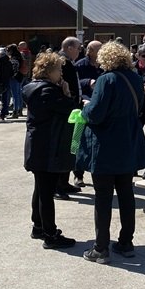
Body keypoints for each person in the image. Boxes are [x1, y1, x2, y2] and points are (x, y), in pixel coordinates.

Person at [77, 41, 145, 263]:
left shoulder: (106, 79)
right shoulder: (135, 78)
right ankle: (126, 242)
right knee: (126, 193)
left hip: (106, 145)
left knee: (103, 197)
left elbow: (96, 113)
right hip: (127, 141)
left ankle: (100, 248)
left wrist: (85, 108)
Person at [23, 51, 78, 249]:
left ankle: (38, 226)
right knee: (46, 192)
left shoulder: (32, 88)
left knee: (41, 188)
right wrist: (66, 92)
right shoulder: (48, 91)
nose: (61, 74)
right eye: (59, 70)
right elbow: (69, 108)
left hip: (38, 144)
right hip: (48, 146)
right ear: (50, 71)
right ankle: (50, 234)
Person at [57, 37, 85, 193]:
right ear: (69, 48)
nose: (80, 51)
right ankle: (59, 184)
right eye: (78, 48)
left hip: (74, 109)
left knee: (71, 146)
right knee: (65, 147)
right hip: (66, 110)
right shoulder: (62, 62)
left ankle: (64, 181)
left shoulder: (69, 62)